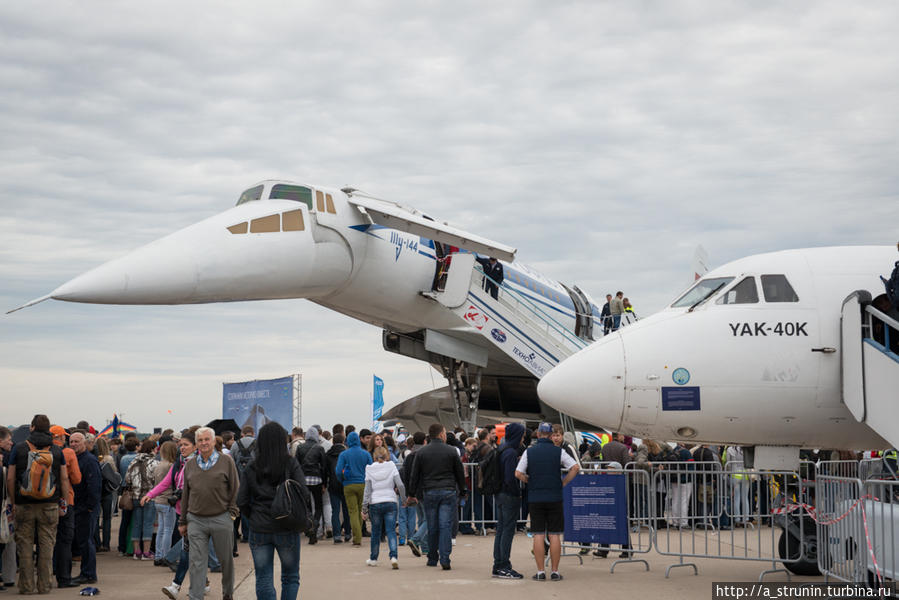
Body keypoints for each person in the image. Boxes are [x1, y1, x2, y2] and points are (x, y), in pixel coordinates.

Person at [237, 422, 306, 600]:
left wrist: (252, 515)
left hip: (260, 526)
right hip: (287, 525)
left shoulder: (252, 466)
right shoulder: (290, 463)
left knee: (263, 577)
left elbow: (241, 500)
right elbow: (303, 493)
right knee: (290, 577)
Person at [6, 414, 70, 594]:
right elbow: (64, 479)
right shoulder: (57, 451)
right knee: (47, 546)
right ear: (49, 429)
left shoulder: (19, 449)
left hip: (23, 504)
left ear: (32, 427)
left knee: (24, 546)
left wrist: (13, 500)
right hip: (50, 504)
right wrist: (63, 501)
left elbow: (10, 478)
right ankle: (44, 585)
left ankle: (26, 586)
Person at [179, 427, 239, 600]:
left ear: (213, 441)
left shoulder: (226, 462)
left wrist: (232, 513)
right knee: (197, 562)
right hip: (196, 520)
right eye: (200, 440)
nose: (203, 443)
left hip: (221, 517)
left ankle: (227, 593)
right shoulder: (190, 464)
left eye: (207, 439)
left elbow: (235, 488)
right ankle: (195, 596)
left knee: (225, 560)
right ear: (196, 444)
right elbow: (186, 495)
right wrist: (183, 521)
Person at [515, 422, 580, 581]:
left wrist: (528, 480)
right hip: (555, 497)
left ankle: (540, 572)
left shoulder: (530, 452)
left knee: (538, 533)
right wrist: (563, 482)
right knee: (554, 534)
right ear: (551, 435)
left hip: (536, 497)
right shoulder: (558, 452)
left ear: (538, 435)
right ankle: (555, 571)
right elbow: (575, 468)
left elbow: (518, 473)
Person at [409, 423, 467, 570]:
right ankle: (445, 558)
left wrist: (411, 493)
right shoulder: (451, 451)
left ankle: (432, 557)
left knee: (432, 525)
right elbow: (459, 473)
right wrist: (463, 490)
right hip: (448, 491)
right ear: (441, 434)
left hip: (429, 491)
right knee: (445, 525)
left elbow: (415, 475)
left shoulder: (422, 452)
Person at [361, 446, 406, 569]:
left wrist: (364, 508)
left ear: (374, 457)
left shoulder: (369, 469)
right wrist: (404, 499)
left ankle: (374, 558)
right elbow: (400, 485)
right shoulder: (391, 466)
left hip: (375, 502)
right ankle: (393, 557)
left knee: (375, 532)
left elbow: (367, 490)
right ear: (387, 456)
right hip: (390, 501)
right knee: (391, 531)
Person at [492, 423, 525, 579]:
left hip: (499, 494)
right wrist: (517, 493)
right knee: (507, 531)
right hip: (508, 495)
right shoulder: (511, 452)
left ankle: (498, 564)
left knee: (501, 529)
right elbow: (510, 478)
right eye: (522, 436)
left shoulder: (502, 448)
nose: (523, 439)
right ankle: (504, 565)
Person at [49, 425, 81, 588]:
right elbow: (76, 478)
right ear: (61, 438)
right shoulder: (68, 453)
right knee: (65, 540)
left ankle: (46, 576)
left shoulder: (40, 451)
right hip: (65, 500)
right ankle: (64, 577)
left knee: (46, 540)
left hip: (44, 500)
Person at [70, 431, 101, 584]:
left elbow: (94, 486)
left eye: (77, 441)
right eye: (71, 442)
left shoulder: (89, 460)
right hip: (78, 506)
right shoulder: (75, 459)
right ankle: (86, 572)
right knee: (82, 540)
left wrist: (90, 506)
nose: (74, 444)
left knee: (86, 541)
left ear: (84, 443)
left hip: (86, 508)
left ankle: (89, 574)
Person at [335, 431, 372, 546]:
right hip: (363, 485)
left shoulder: (344, 454)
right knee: (361, 511)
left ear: (348, 441)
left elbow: (338, 471)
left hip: (349, 485)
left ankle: (357, 538)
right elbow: (371, 469)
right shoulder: (366, 454)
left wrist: (343, 480)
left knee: (352, 512)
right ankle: (358, 535)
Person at [125, 438, 159, 559]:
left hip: (135, 496)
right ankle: (146, 552)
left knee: (137, 524)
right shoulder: (154, 463)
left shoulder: (133, 462)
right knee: (148, 524)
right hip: (149, 496)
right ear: (152, 449)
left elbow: (127, 479)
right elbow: (157, 481)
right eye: (156, 448)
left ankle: (136, 552)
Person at [150, 441, 179, 564]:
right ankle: (166, 556)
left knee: (161, 529)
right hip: (168, 500)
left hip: (158, 499)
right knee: (168, 529)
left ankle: (158, 554)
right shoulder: (171, 465)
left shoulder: (159, 465)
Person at [325, 433, 351, 543]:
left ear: (333, 442)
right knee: (346, 510)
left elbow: (325, 471)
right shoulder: (346, 454)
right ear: (343, 441)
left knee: (335, 511)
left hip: (333, 485)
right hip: (345, 483)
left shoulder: (328, 454)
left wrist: (325, 483)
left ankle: (336, 535)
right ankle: (348, 533)